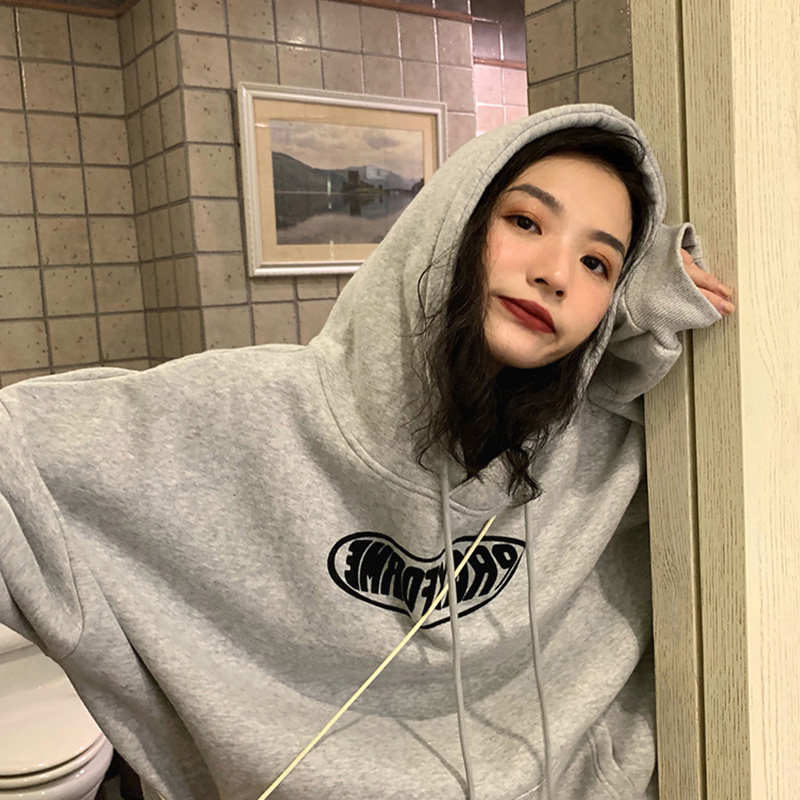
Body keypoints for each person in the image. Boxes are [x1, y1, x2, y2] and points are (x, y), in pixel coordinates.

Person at [0, 103, 734, 800]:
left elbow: (631, 375)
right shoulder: (253, 409)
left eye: (598, 264)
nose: (556, 273)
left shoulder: (601, 448)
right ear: (451, 223)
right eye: (524, 222)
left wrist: (642, 310)